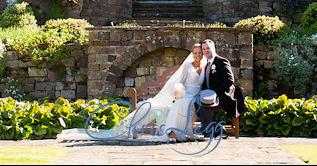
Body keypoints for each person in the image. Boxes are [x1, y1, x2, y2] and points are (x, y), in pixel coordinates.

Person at [56, 45, 204, 143]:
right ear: (193, 54)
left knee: (187, 104)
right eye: (195, 53)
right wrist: (179, 93)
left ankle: (182, 132)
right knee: (180, 103)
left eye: (199, 53)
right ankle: (171, 132)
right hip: (185, 95)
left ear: (202, 54)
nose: (197, 55)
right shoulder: (187, 66)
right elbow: (180, 83)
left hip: (196, 95)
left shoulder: (204, 66)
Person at [196, 38, 245, 133]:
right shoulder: (207, 65)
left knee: (203, 106)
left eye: (208, 48)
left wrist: (215, 93)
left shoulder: (222, 61)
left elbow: (229, 80)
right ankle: (216, 128)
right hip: (211, 97)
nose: (206, 51)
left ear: (213, 48)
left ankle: (210, 131)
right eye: (204, 49)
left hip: (224, 96)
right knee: (196, 103)